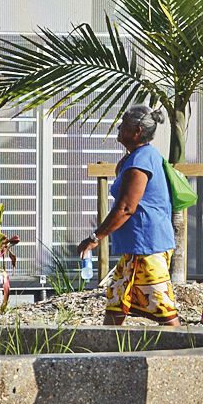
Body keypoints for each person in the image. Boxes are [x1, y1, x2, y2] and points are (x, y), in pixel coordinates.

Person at [77, 104, 179, 326]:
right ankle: (107, 355)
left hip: (149, 248)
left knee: (164, 311)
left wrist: (95, 239)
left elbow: (126, 208)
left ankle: (187, 354)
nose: (118, 128)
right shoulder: (136, 157)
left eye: (123, 124)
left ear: (137, 131)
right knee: (116, 304)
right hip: (134, 249)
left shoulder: (142, 160)